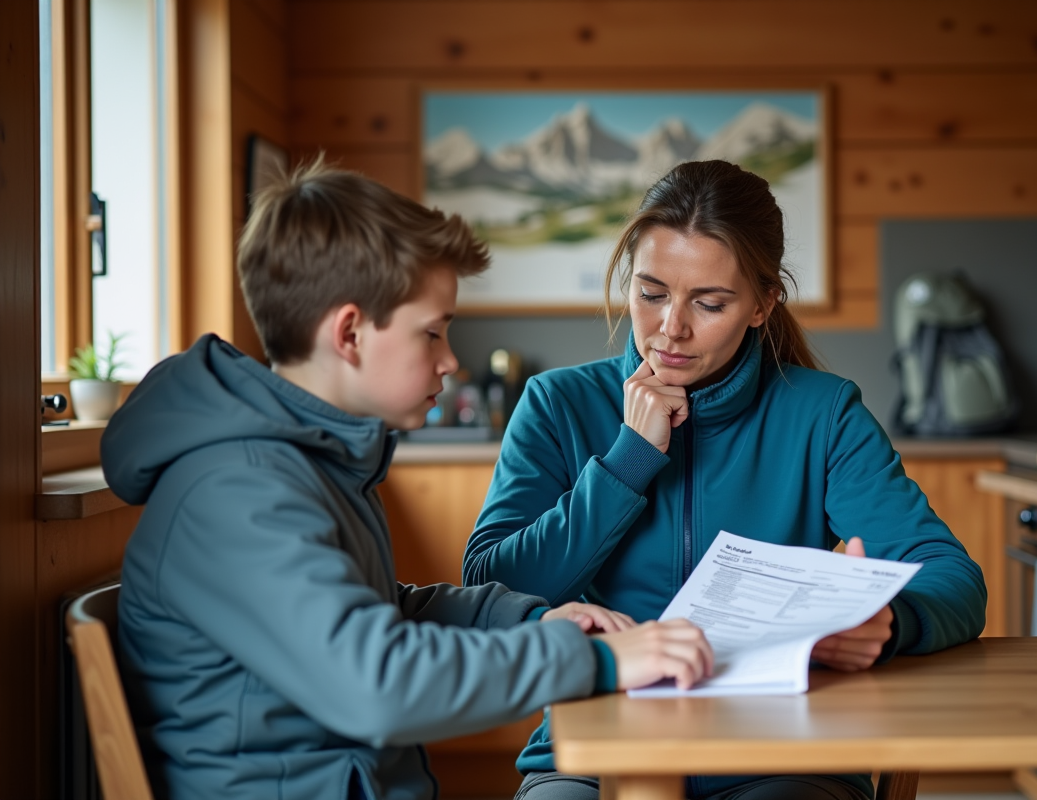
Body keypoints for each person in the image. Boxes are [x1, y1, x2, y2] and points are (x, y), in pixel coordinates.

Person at [101, 160, 714, 800]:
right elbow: (377, 683)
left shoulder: (300, 461)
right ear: (348, 333)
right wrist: (597, 662)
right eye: (432, 332)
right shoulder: (236, 490)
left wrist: (535, 621)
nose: (450, 360)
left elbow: (378, 611)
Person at [463, 160, 987, 800]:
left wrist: (892, 620)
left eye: (709, 303)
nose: (670, 328)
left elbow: (950, 575)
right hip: (594, 753)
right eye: (651, 293)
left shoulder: (822, 413)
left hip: (785, 755)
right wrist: (629, 459)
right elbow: (492, 586)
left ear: (763, 304)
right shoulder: (557, 403)